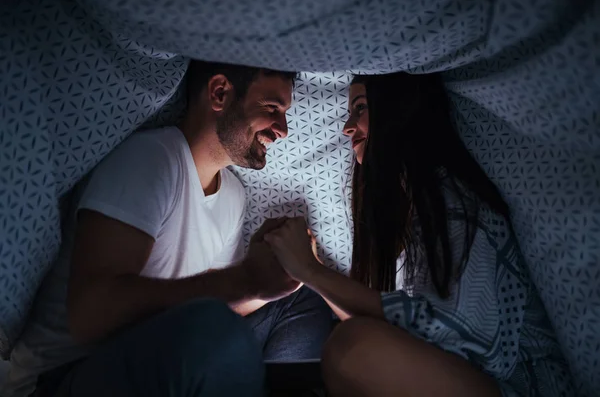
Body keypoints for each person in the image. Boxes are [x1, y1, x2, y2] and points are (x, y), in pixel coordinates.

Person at [3, 61, 332, 397]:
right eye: (272, 108)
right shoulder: (150, 160)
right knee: (217, 331)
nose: (283, 129)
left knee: (301, 298)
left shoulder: (233, 195)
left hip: (171, 350)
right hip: (66, 374)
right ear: (220, 93)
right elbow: (90, 315)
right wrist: (245, 278)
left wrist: (274, 279)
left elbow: (215, 300)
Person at [263, 73, 574, 396]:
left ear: (395, 112)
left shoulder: (452, 202)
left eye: (360, 108)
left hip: (520, 386)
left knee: (352, 350)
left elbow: (450, 330)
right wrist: (308, 269)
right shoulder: (408, 219)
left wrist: (311, 271)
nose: (347, 127)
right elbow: (398, 329)